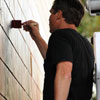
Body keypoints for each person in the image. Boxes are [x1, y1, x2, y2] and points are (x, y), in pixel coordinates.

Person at [23, 0, 94, 100]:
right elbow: (56, 58)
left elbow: (65, 72)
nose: (49, 18)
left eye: (51, 12)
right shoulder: (86, 45)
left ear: (59, 14)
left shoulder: (60, 35)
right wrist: (37, 37)